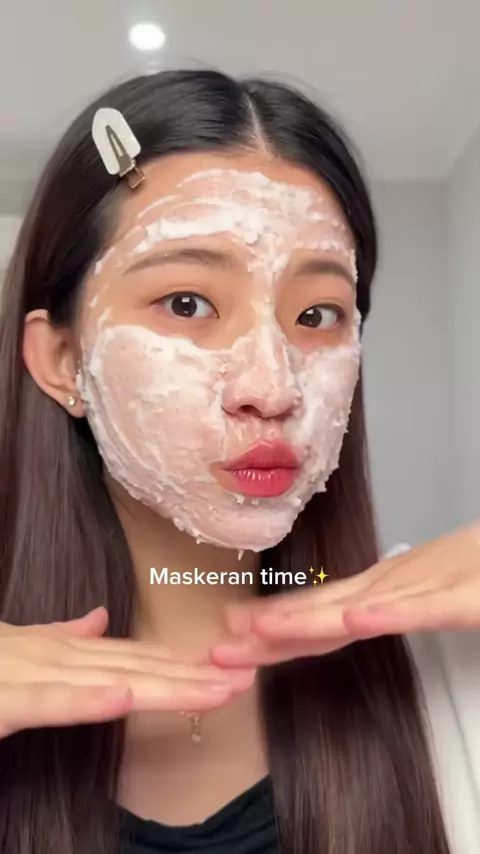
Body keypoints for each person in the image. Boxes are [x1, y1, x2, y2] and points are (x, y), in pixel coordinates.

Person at [0, 68, 478, 854]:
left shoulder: (454, 673)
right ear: (60, 360)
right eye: (187, 303)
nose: (272, 387)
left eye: (317, 314)